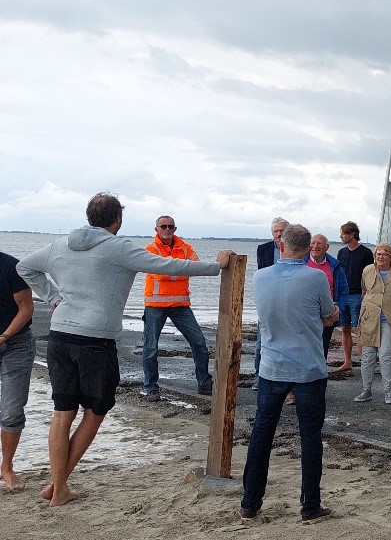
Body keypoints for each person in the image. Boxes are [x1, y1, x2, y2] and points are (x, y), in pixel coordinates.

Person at [18, 193, 230, 506]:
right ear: (117, 219)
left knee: (63, 412)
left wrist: (53, 297)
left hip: (60, 335)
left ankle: (57, 486)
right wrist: (217, 266)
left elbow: (25, 267)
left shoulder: (60, 245)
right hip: (96, 340)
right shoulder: (119, 247)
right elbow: (166, 264)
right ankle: (58, 486)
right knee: (96, 411)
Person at [239, 224, 338, 522]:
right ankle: (309, 505)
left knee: (262, 434)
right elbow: (328, 314)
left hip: (272, 366)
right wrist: (332, 315)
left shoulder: (261, 277)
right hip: (307, 367)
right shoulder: (315, 277)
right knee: (310, 437)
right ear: (308, 249)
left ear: (281, 244)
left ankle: (250, 502)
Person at [140, 215, 213, 399]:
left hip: (181, 305)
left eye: (170, 226)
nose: (167, 229)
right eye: (163, 226)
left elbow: (195, 268)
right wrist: (181, 269)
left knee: (199, 343)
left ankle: (204, 383)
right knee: (150, 348)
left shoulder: (186, 247)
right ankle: (151, 387)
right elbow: (159, 273)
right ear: (156, 229)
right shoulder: (150, 249)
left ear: (175, 228)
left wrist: (173, 270)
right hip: (155, 305)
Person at [352, 243, 391, 404]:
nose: (380, 257)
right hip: (370, 319)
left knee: (386, 356)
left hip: (389, 321)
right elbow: (365, 291)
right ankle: (366, 390)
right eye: (378, 254)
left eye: (384, 254)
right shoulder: (367, 271)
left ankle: (388, 392)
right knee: (367, 356)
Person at [0, 250, 35, 492]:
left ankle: (7, 467)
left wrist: (3, 337)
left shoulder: (10, 266)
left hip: (16, 343)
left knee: (12, 410)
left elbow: (26, 308)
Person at [333, 221, 374, 374]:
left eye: (343, 233)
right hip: (343, 296)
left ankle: (365, 362)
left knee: (359, 329)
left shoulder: (366, 253)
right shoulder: (342, 253)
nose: (341, 236)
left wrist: (367, 293)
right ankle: (347, 361)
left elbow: (371, 274)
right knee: (345, 328)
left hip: (359, 294)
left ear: (352, 235)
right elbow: (338, 274)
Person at [253, 217, 288, 376]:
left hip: (289, 298)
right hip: (268, 298)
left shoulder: (295, 248)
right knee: (262, 340)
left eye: (282, 230)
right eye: (276, 231)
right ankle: (258, 376)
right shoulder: (263, 248)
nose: (279, 233)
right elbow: (261, 273)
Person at [305, 234, 348, 360]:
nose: (315, 246)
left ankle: (319, 375)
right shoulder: (301, 263)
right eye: (312, 243)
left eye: (319, 243)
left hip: (327, 315)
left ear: (327, 247)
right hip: (305, 314)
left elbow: (344, 290)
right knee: (305, 347)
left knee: (322, 347)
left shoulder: (335, 266)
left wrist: (338, 308)